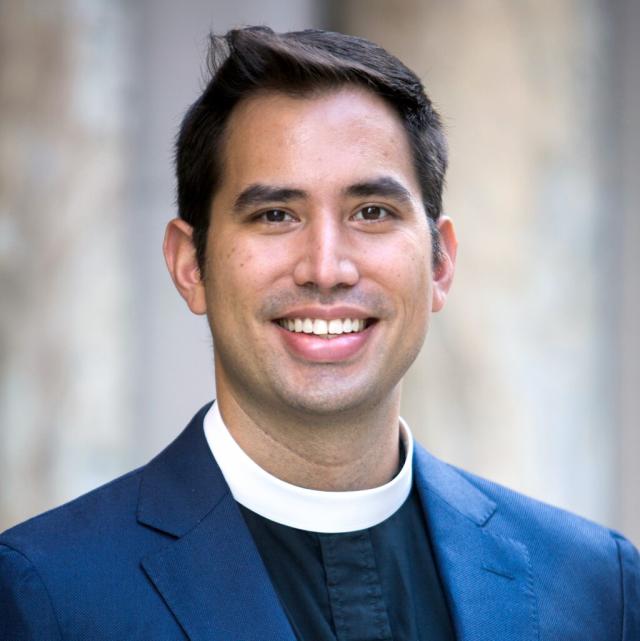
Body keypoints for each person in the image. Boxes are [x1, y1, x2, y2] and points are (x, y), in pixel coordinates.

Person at [1, 25, 638, 641]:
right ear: (190, 266)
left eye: (372, 212)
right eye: (275, 215)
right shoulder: (47, 594)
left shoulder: (593, 587)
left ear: (440, 263)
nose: (326, 268)